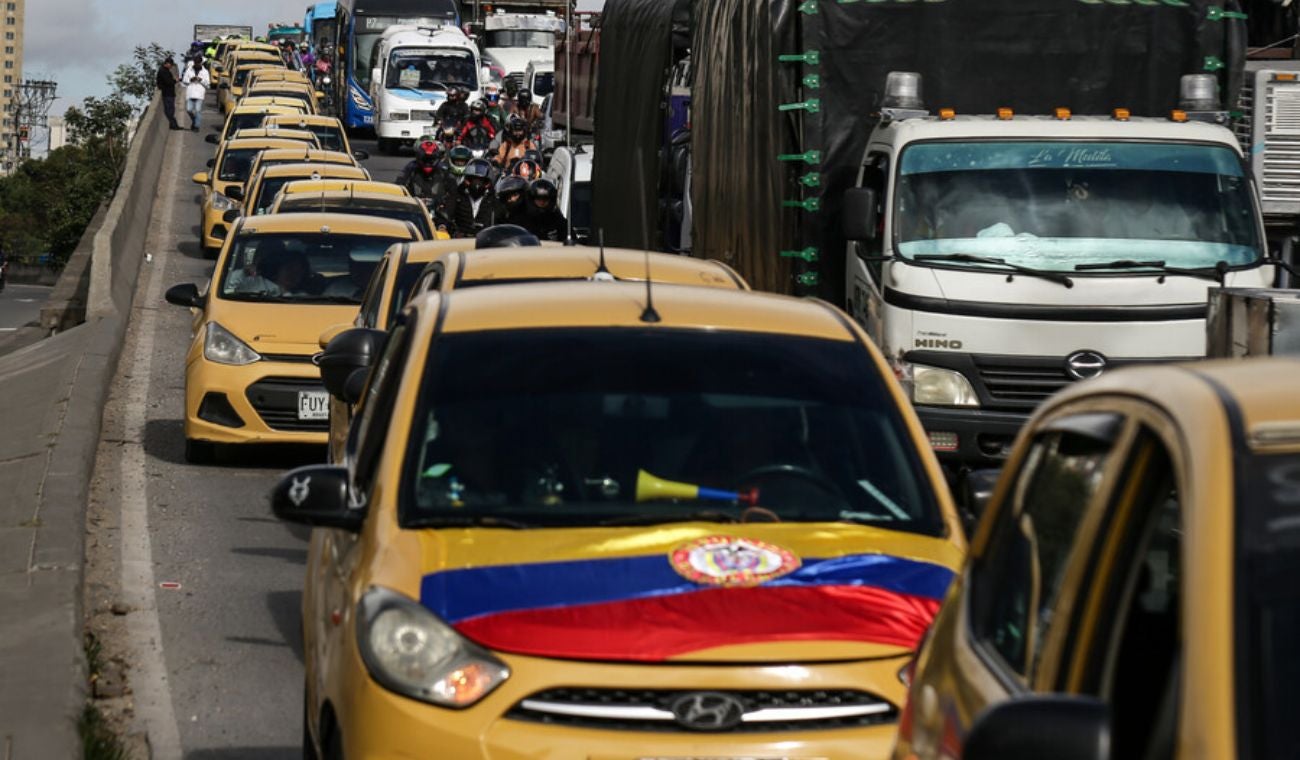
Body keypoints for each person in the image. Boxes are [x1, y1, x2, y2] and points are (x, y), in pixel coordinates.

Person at [448, 159, 505, 238]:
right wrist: (443, 227)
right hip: (459, 241)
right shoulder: (457, 195)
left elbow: (503, 224)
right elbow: (445, 214)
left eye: (481, 180)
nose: (477, 184)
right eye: (474, 179)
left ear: (487, 181)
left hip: (486, 243)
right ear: (468, 179)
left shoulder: (494, 201)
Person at [397, 139, 453, 205]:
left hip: (439, 207)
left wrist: (446, 210)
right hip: (414, 206)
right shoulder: (411, 167)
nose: (428, 162)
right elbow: (399, 184)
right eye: (425, 159)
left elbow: (453, 191)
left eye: (431, 159)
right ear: (419, 157)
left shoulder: (443, 169)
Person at [182, 58, 210, 132]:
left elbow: (207, 84)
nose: (197, 64)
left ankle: (196, 126)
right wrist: (190, 80)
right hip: (190, 93)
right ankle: (194, 120)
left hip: (199, 93)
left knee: (198, 110)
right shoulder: (189, 70)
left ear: (201, 63)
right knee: (189, 109)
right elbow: (184, 80)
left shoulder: (205, 72)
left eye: (198, 63)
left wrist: (201, 80)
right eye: (196, 63)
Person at [156, 59, 182, 131]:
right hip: (167, 93)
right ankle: (174, 124)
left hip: (169, 93)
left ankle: (172, 125)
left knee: (171, 109)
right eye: (170, 65)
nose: (171, 67)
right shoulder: (163, 71)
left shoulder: (165, 70)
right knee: (169, 110)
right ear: (167, 63)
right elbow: (168, 82)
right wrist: (175, 81)